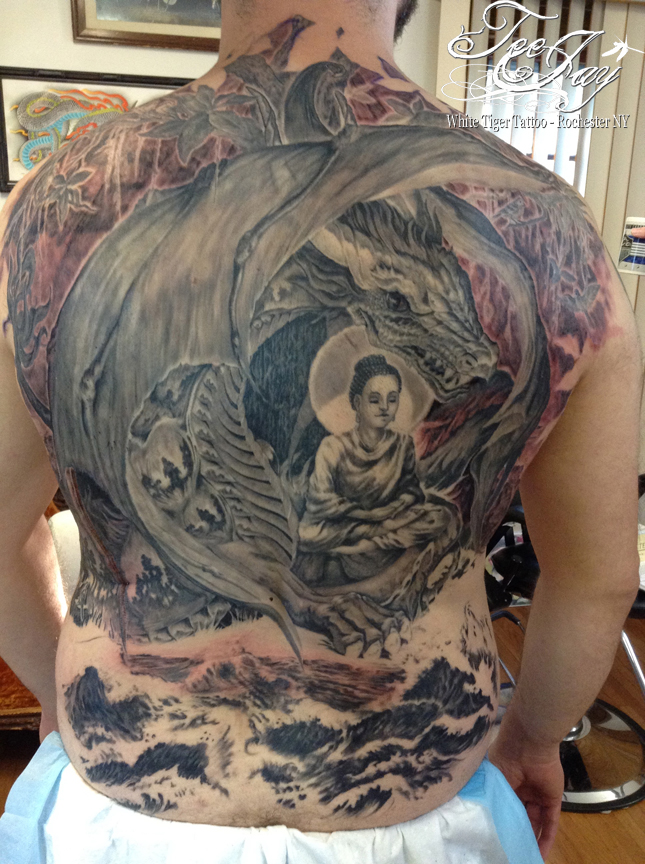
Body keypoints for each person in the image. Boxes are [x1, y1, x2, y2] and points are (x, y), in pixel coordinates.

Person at [0, 1, 640, 862]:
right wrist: (529, 739)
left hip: (123, 797)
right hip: (417, 802)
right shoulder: (551, 225)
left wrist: (63, 690)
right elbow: (597, 578)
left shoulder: (43, 209)